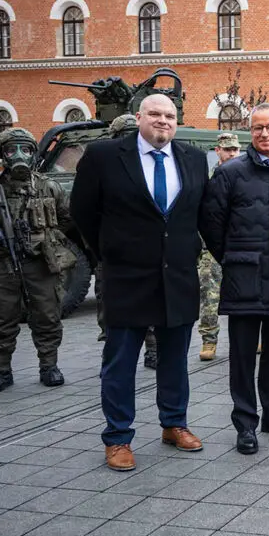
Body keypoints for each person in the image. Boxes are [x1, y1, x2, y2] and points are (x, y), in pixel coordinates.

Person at [71, 94, 209, 471]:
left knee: (174, 359)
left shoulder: (194, 159)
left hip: (177, 278)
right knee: (120, 361)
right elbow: (81, 210)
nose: (163, 121)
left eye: (169, 115)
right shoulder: (104, 156)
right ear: (139, 117)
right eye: (155, 114)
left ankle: (174, 424)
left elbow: (202, 215)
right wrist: (108, 254)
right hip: (126, 278)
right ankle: (117, 437)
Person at [200, 103, 269, 454]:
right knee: (243, 357)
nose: (264, 134)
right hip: (244, 279)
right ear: (250, 130)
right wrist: (234, 260)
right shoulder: (231, 173)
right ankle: (245, 424)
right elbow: (211, 224)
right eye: (258, 127)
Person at [0, 128, 75, 392]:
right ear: (2, 155)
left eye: (25, 150)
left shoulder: (48, 187)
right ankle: (0, 370)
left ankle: (49, 365)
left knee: (47, 314)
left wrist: (49, 238)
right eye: (11, 150)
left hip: (41, 260)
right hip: (2, 262)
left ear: (33, 154)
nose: (18, 155)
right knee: (1, 316)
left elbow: (67, 219)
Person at [95, 114, 159, 370]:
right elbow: (82, 211)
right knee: (110, 305)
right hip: (114, 253)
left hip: (152, 250)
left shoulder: (157, 165)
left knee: (154, 301)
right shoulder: (102, 168)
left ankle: (153, 349)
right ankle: (115, 351)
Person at [197, 133, 242, 361]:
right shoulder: (207, 178)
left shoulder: (245, 175)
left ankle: (243, 341)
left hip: (238, 246)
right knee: (210, 296)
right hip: (211, 249)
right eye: (227, 150)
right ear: (218, 151)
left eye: (235, 149)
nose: (232, 153)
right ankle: (209, 340)